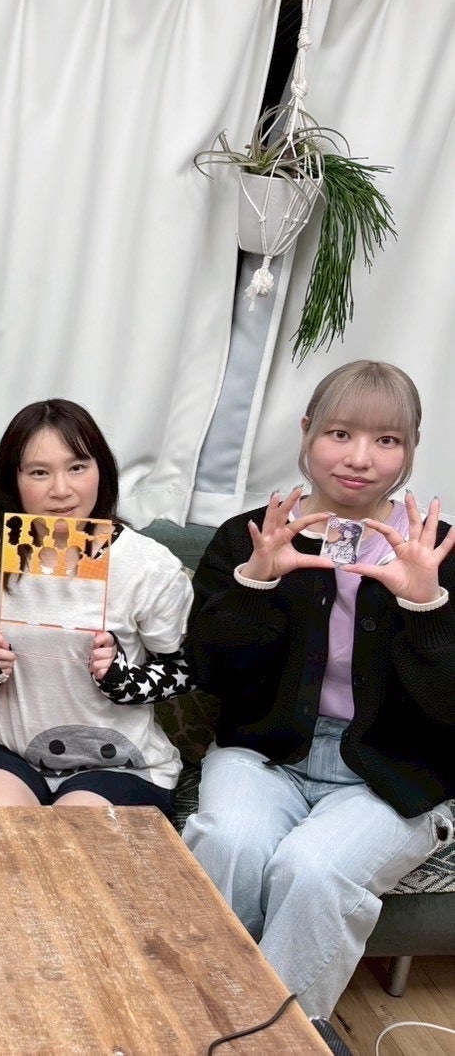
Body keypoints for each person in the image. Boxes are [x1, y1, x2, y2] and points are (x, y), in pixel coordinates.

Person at [182, 360, 455, 1019]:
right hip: (264, 754)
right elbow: (209, 674)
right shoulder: (250, 536)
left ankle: (276, 1040)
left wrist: (426, 607)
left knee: (313, 870)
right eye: (339, 433)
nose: (360, 458)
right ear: (306, 431)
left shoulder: (439, 551)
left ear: (411, 449)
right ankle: (193, 1017)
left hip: (389, 772)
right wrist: (255, 584)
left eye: (387, 440)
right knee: (229, 844)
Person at [0, 399, 192, 815]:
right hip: (4, 748)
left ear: (102, 470)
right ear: (14, 480)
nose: (61, 489)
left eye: (77, 467)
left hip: (119, 764)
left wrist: (124, 679)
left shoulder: (149, 566)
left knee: (74, 838)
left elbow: (186, 670)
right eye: (39, 472)